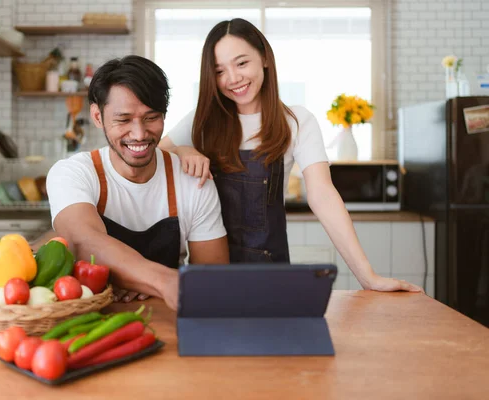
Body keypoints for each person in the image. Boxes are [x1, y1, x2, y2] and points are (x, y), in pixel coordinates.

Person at [159, 18, 423, 293]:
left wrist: (368, 277)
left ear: (264, 58)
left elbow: (323, 196)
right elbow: (152, 158)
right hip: (209, 277)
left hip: (270, 276)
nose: (233, 79)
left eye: (241, 63)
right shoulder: (201, 121)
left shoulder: (296, 121)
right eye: (219, 71)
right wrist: (182, 149)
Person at [46, 55, 230, 311]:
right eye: (123, 120)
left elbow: (212, 276)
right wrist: (163, 281)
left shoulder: (192, 180)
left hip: (169, 316)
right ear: (98, 117)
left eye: (151, 117)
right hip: (91, 317)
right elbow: (82, 240)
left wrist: (129, 275)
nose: (139, 134)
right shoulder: (72, 173)